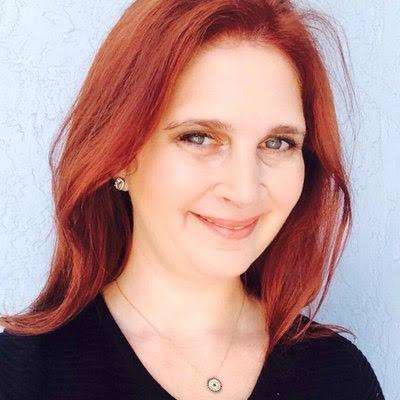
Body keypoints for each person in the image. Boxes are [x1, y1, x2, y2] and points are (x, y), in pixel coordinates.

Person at [0, 0, 385, 399]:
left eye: (277, 143)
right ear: (119, 155)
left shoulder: (339, 376)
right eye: (199, 137)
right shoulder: (24, 375)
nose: (243, 190)